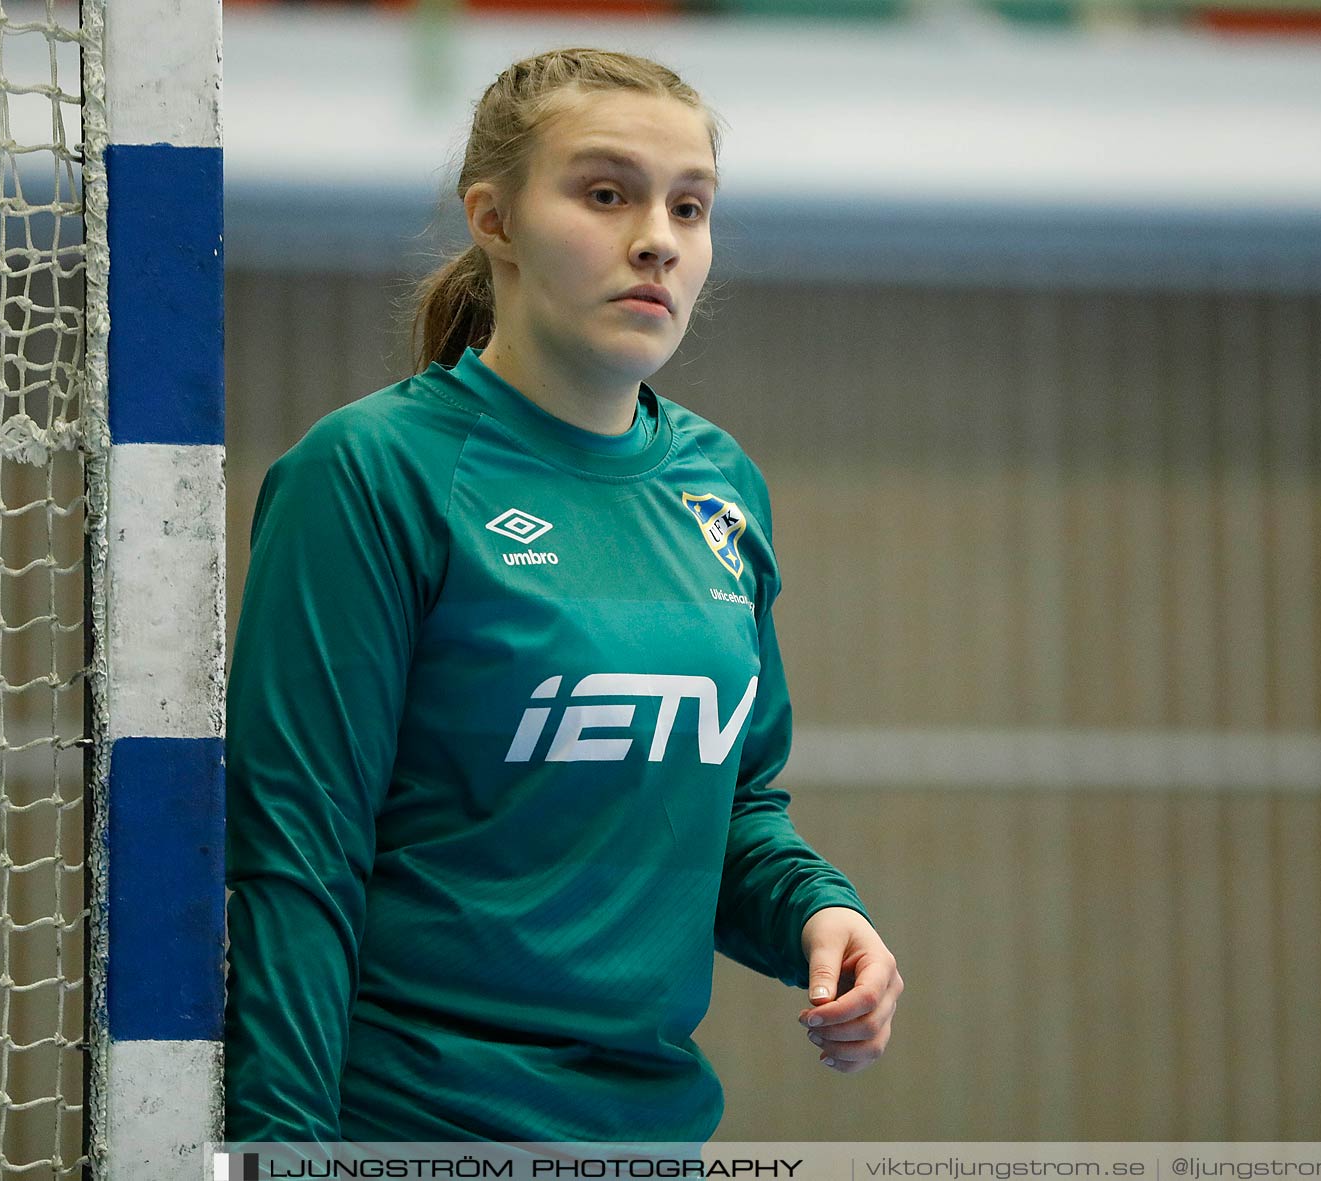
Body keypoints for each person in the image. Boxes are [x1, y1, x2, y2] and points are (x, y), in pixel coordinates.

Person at [223, 48, 903, 1145]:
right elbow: (294, 860)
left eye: (690, 205)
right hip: (409, 1126)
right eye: (605, 193)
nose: (658, 239)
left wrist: (824, 910)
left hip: (652, 1131)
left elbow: (731, 810)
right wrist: (279, 1157)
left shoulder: (719, 486)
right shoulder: (369, 472)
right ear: (492, 218)